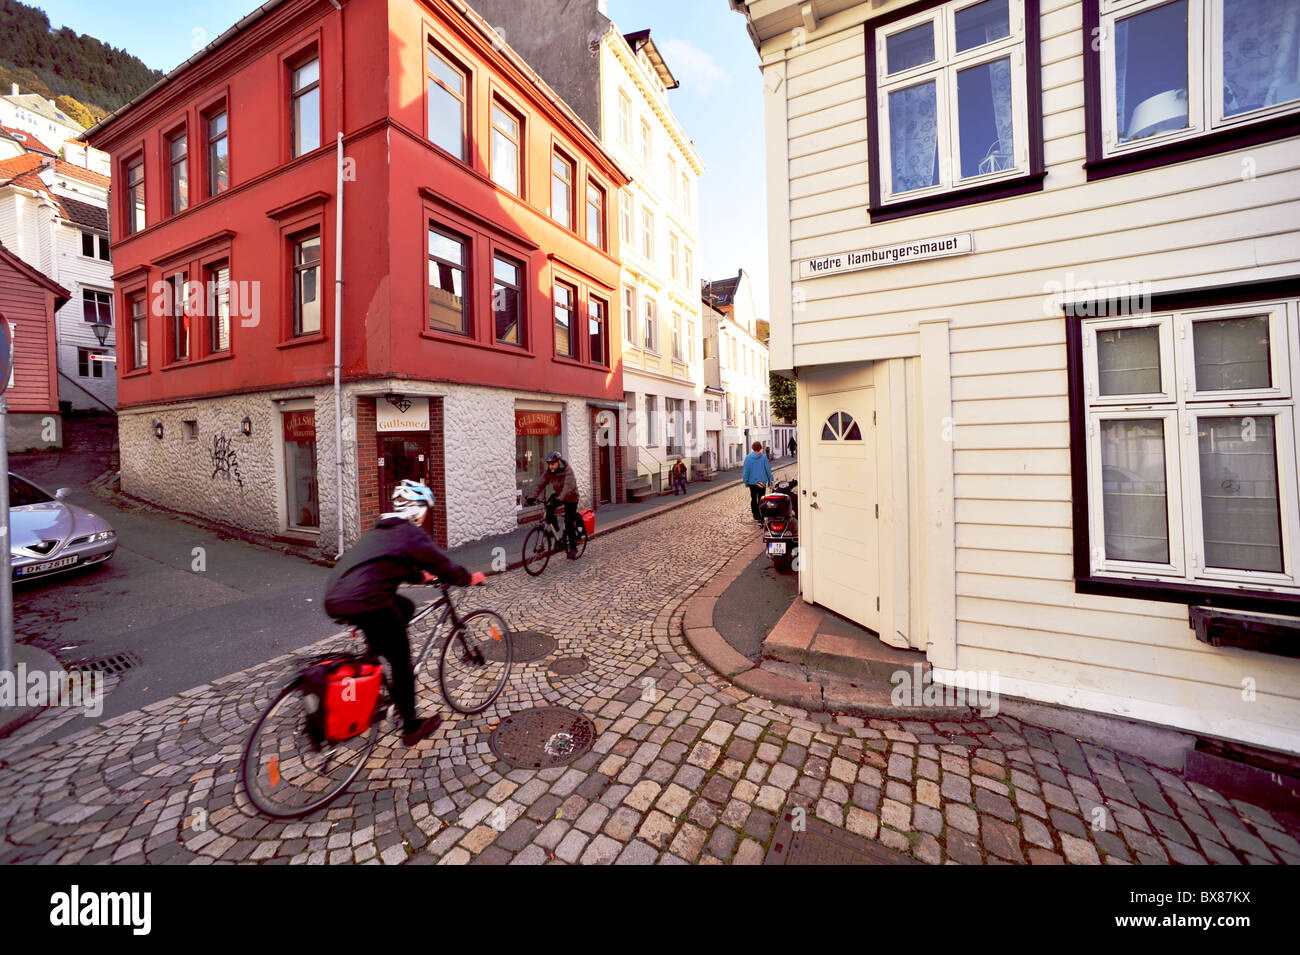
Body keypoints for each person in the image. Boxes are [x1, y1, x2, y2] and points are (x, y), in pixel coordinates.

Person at [324, 480, 486, 746]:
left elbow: (392, 562)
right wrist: (467, 578)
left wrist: (419, 577)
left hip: (338, 597)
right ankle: (411, 726)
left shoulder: (380, 530)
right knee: (401, 660)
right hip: (367, 601)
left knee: (405, 608)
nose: (425, 516)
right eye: (425, 509)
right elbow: (442, 564)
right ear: (418, 509)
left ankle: (374, 656)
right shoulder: (410, 533)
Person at [532, 450, 580, 559]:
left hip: (571, 498)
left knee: (568, 522)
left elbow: (568, 487)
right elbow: (540, 484)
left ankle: (573, 548)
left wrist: (560, 499)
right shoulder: (549, 472)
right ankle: (556, 528)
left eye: (553, 464)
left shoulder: (568, 470)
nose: (551, 466)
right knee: (549, 507)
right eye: (549, 464)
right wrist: (532, 497)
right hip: (559, 495)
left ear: (558, 462)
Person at [742, 440, 773, 522]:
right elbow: (768, 470)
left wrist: (746, 481)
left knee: (753, 498)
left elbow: (746, 471)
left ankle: (755, 514)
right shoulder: (763, 457)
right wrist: (770, 480)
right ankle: (761, 514)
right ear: (760, 448)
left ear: (752, 448)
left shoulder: (748, 457)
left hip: (752, 482)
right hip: (761, 482)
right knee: (761, 498)